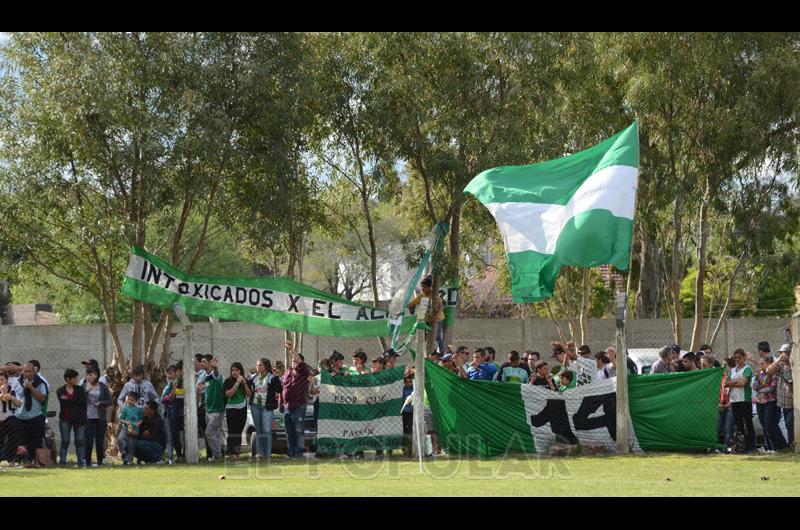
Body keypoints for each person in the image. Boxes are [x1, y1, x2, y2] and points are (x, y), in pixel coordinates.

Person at [12, 362, 48, 466]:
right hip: (20, 416)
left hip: (35, 416)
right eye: (25, 371)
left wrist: (31, 388)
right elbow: (14, 399)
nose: (27, 373)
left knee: (35, 442)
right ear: (22, 372)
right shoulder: (17, 383)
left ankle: (35, 461)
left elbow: (43, 398)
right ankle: (21, 461)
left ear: (34, 372)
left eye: (29, 371)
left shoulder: (40, 383)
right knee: (20, 442)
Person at [279, 340, 311, 458]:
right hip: (287, 407)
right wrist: (281, 403)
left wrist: (291, 350)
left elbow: (298, 359)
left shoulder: (304, 371)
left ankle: (300, 452)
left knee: (299, 430)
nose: (293, 362)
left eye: (295, 360)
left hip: (299, 406)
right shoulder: (287, 372)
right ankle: (291, 453)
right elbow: (283, 388)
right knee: (289, 432)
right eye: (292, 361)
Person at [753, 357, 786, 452]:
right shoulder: (760, 374)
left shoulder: (775, 375)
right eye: (760, 364)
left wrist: (760, 389)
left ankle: (778, 446)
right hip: (760, 402)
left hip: (770, 402)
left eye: (762, 364)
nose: (760, 366)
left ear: (769, 364)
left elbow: (771, 388)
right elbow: (755, 386)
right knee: (764, 426)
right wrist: (760, 388)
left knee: (769, 425)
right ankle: (770, 447)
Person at [250, 358, 281, 460]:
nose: (257, 367)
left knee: (267, 430)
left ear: (266, 367)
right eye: (257, 365)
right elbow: (246, 384)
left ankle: (267, 454)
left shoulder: (272, 377)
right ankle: (261, 454)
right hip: (255, 406)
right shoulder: (253, 377)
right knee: (259, 431)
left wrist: (277, 377)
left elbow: (279, 389)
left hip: (267, 407)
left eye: (260, 365)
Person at [726, 348, 755, 453]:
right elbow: (726, 383)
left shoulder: (747, 369)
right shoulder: (733, 370)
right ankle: (742, 446)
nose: (737, 359)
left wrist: (733, 382)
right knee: (739, 424)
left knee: (748, 423)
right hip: (735, 401)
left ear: (744, 358)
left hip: (745, 400)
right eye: (735, 358)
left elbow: (744, 383)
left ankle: (751, 447)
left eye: (740, 357)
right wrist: (737, 381)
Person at [407, 275, 445, 353]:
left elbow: (440, 306)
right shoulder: (422, 296)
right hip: (427, 319)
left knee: (437, 336)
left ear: (429, 287)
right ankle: (424, 352)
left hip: (438, 319)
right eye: (421, 287)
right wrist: (411, 309)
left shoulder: (434, 295)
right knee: (423, 335)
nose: (422, 289)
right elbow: (411, 303)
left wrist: (435, 317)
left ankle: (441, 352)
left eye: (424, 287)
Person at [83, 366, 111, 467]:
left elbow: (109, 400)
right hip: (87, 417)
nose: (88, 377)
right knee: (88, 441)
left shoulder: (103, 386)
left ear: (96, 375)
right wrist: (86, 391)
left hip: (100, 418)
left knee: (99, 441)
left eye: (91, 374)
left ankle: (100, 462)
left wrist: (101, 403)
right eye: (87, 374)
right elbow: (78, 400)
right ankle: (87, 462)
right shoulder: (83, 386)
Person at [198, 355, 225, 461]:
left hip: (217, 410)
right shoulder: (207, 377)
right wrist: (200, 388)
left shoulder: (216, 374)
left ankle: (218, 455)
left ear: (210, 363)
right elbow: (206, 386)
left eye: (204, 361)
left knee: (208, 433)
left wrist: (215, 368)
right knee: (214, 433)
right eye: (201, 362)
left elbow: (216, 376)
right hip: (208, 409)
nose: (201, 364)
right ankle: (216, 454)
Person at [223, 362, 252, 458]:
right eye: (232, 370)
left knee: (239, 431)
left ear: (241, 371)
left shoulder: (245, 381)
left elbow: (249, 395)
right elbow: (229, 394)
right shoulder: (228, 381)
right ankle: (230, 452)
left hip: (242, 408)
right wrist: (237, 383)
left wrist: (243, 383)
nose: (234, 372)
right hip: (231, 409)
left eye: (236, 370)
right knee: (232, 431)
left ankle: (236, 453)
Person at [767, 344, 794, 447]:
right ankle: (791, 445)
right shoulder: (780, 365)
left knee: (790, 423)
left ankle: (793, 444)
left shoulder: (795, 365)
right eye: (781, 352)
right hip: (785, 402)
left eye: (786, 352)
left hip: (794, 401)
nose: (783, 355)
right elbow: (769, 371)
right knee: (788, 424)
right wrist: (778, 360)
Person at [161, 363, 184, 464]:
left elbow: (176, 397)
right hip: (170, 413)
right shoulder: (169, 386)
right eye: (167, 374)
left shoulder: (181, 384)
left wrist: (173, 393)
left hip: (178, 414)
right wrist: (171, 394)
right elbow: (165, 399)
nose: (168, 376)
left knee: (175, 436)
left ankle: (180, 455)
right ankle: (175, 456)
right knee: (172, 436)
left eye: (170, 373)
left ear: (176, 373)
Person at [0, 372, 22, 463]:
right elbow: (3, 398)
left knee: (13, 440)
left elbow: (19, 403)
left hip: (10, 418)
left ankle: (11, 460)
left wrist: (12, 398)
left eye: (2, 380)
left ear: (7, 381)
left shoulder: (12, 390)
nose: (0, 382)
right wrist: (2, 394)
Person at [117, 391, 142, 465]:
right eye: (129, 399)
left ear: (136, 401)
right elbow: (120, 419)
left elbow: (141, 419)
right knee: (120, 439)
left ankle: (129, 461)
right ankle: (123, 453)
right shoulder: (125, 409)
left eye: (132, 400)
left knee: (132, 445)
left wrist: (138, 423)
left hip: (134, 429)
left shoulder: (138, 410)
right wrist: (126, 422)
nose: (130, 401)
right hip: (125, 428)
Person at [717, 357, 736, 448]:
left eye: (725, 365)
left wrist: (727, 406)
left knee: (728, 429)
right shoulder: (720, 379)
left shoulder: (734, 377)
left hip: (731, 407)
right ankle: (715, 447)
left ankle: (726, 447)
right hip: (721, 406)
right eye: (722, 365)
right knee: (717, 428)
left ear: (731, 366)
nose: (723, 367)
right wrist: (719, 404)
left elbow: (736, 395)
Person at [401, 369, 414, 456]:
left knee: (410, 431)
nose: (408, 383)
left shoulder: (414, 389)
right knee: (404, 431)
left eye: (410, 381)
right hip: (403, 413)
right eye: (407, 382)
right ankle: (404, 447)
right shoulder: (402, 389)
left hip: (412, 413)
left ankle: (410, 447)